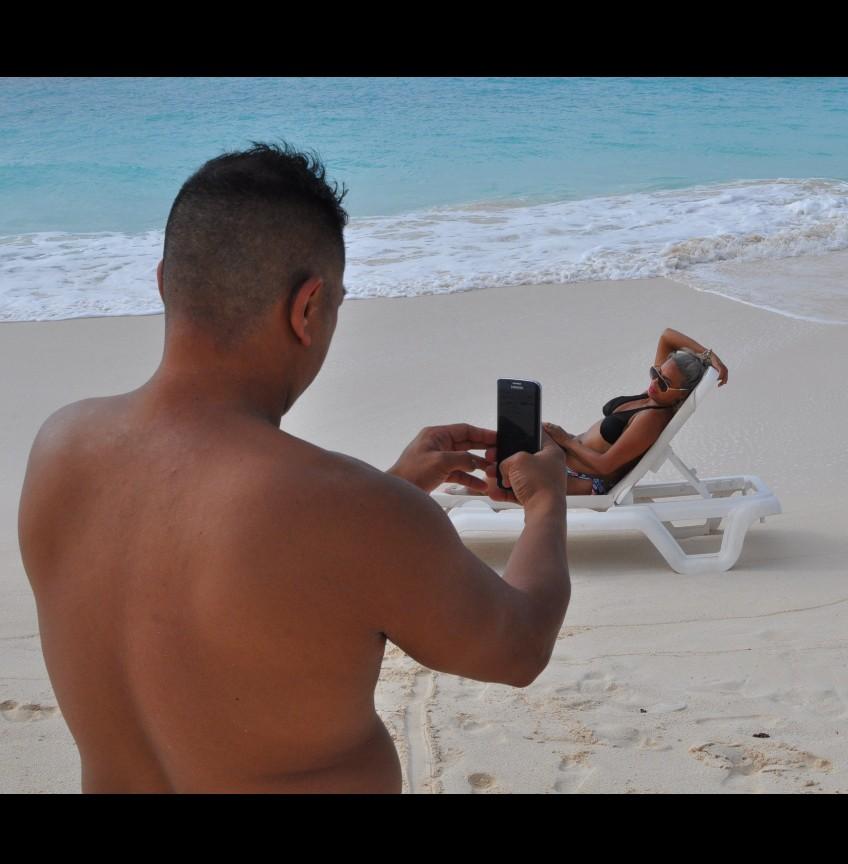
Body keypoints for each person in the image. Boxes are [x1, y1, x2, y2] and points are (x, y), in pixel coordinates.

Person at [16, 143, 570, 794]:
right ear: (307, 308)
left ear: (164, 281)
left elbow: (223, 576)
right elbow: (519, 646)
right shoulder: (353, 512)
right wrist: (547, 502)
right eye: (336, 304)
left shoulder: (60, 447)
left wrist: (389, 489)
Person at [542, 330, 728, 496]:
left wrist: (566, 440)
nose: (654, 383)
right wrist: (709, 356)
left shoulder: (652, 419)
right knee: (524, 425)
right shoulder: (654, 396)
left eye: (664, 383)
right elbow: (667, 337)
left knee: (523, 463)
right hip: (564, 455)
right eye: (655, 373)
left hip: (581, 477)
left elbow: (605, 465)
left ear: (682, 395)